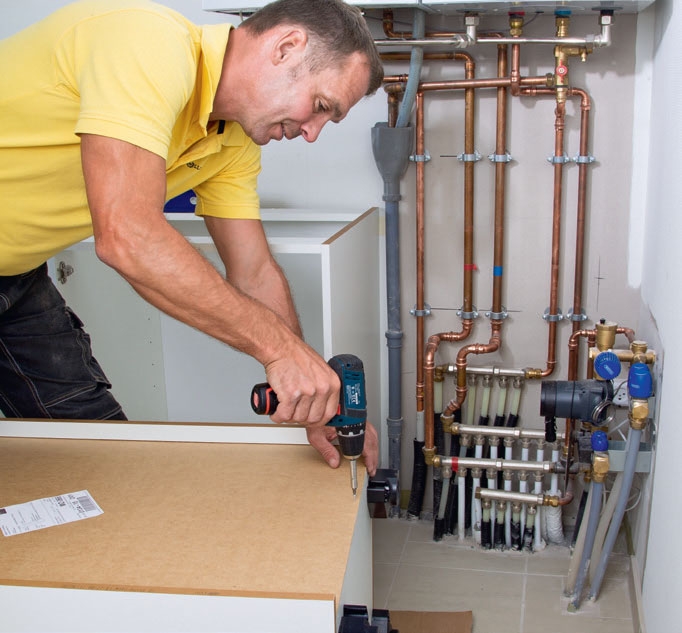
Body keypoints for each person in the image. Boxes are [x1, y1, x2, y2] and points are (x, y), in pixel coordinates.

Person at [0, 0, 383, 476]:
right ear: (286, 47)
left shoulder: (233, 140)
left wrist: (312, 394)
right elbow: (127, 236)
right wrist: (280, 351)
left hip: (16, 276)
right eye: (322, 106)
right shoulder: (146, 42)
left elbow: (254, 271)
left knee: (100, 457)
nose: (312, 133)